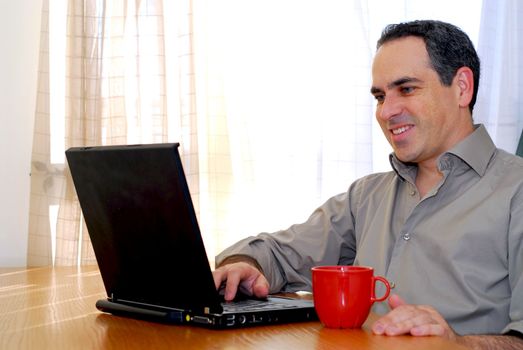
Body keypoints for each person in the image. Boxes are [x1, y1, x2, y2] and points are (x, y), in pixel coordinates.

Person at [212, 20, 523, 348]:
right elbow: (277, 254)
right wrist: (244, 265)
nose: (386, 111)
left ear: (462, 87)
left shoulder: (515, 191)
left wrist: (459, 344)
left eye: (406, 89)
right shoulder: (366, 197)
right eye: (379, 96)